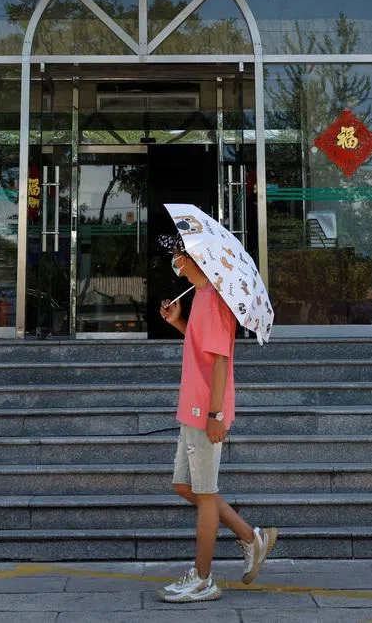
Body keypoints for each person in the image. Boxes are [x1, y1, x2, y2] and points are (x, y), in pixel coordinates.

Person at [156, 240, 278, 603]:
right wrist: (178, 321)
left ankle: (203, 579)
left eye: (176, 256)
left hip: (204, 409)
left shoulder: (214, 300)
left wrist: (215, 415)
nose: (174, 262)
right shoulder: (202, 295)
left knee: (206, 495)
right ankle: (250, 537)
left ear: (191, 258)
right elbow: (202, 350)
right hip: (191, 405)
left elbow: (222, 360)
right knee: (184, 485)